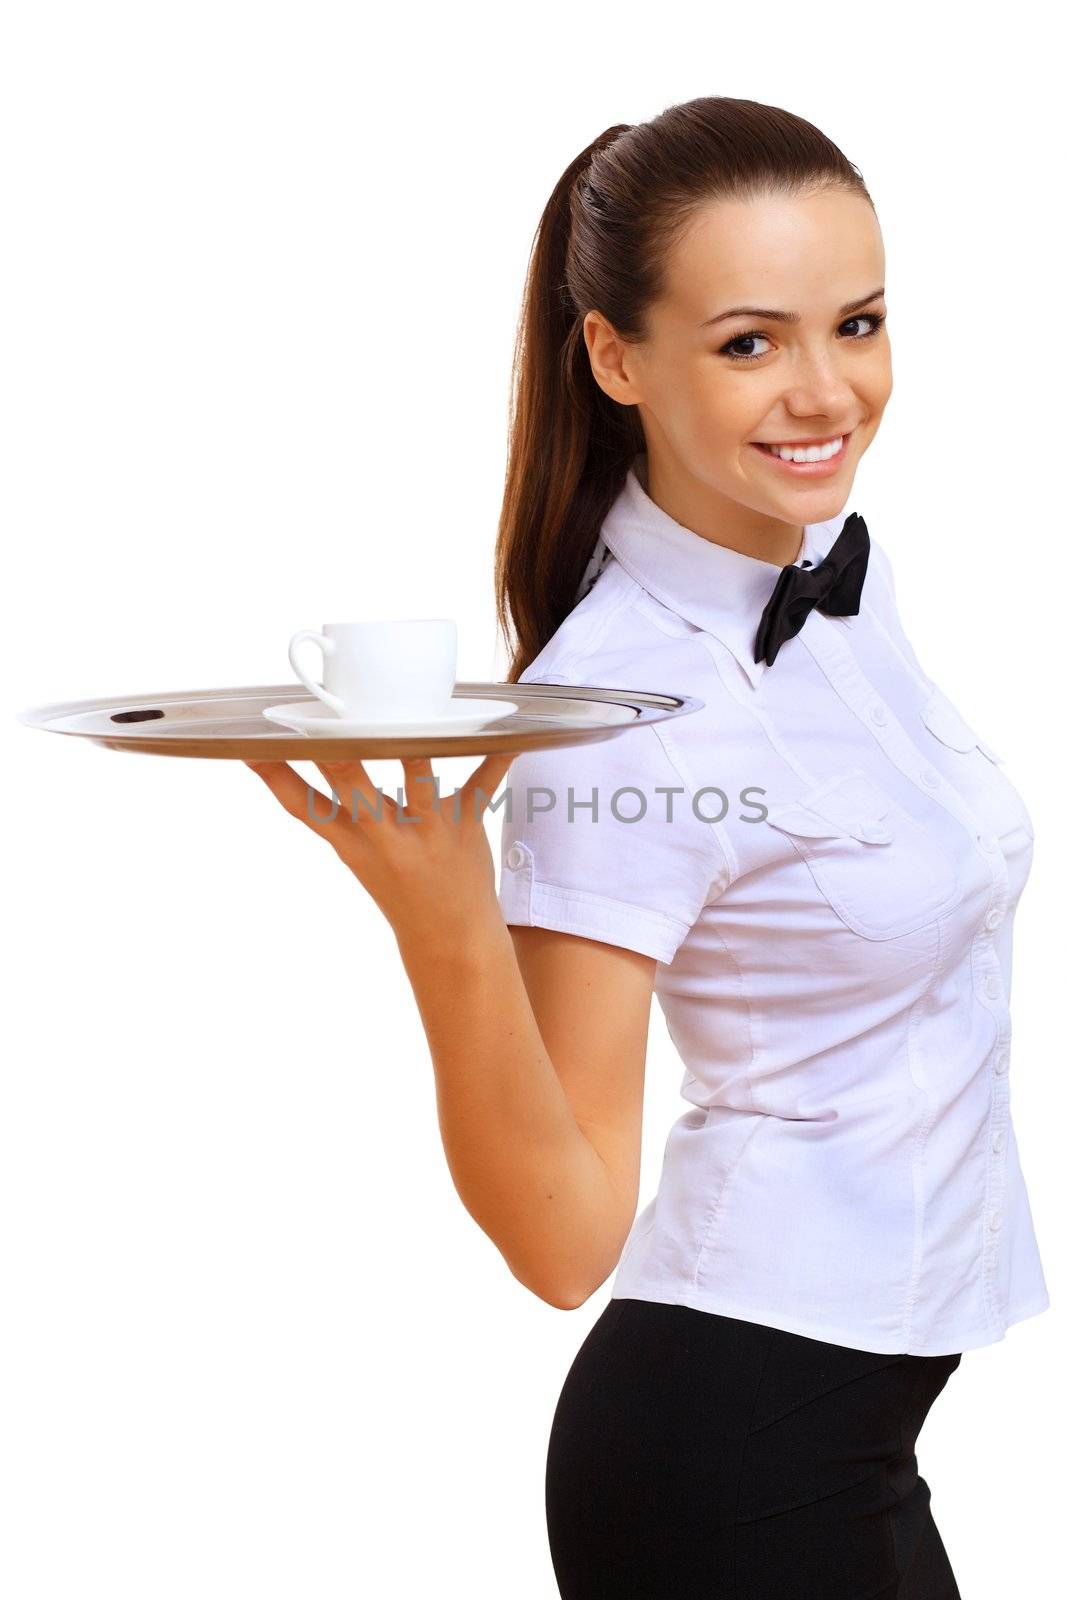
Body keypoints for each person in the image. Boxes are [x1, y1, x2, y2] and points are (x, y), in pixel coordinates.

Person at [245, 96, 1050, 1599]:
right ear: (618, 358)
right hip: (734, 1446)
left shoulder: (824, 575)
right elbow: (563, 1238)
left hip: (860, 1425)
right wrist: (443, 918)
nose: (827, 393)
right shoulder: (623, 711)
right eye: (750, 342)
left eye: (857, 324)